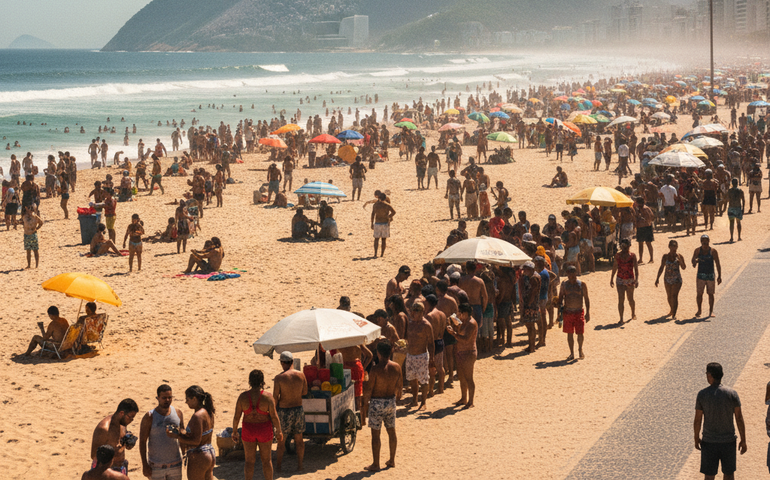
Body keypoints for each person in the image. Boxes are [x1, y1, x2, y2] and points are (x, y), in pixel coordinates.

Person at [694, 363, 747, 480]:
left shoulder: (702, 394)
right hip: (728, 442)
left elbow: (698, 419)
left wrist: (696, 437)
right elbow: (739, 418)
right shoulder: (732, 394)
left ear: (710, 375)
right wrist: (743, 440)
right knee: (728, 475)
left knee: (709, 476)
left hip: (709, 442)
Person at [232, 371, 282, 480]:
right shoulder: (268, 397)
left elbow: (236, 416)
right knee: (266, 461)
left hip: (248, 430)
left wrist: (234, 431)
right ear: (262, 381)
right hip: (264, 430)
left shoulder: (243, 397)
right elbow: (274, 416)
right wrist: (279, 431)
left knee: (249, 461)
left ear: (250, 381)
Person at [362, 340, 402, 472]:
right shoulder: (397, 367)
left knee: (375, 435)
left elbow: (369, 390)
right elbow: (400, 390)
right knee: (391, 431)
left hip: (377, 402)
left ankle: (376, 463)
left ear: (378, 353)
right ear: (391, 351)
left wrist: (365, 403)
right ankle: (392, 460)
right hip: (390, 401)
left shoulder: (375, 369)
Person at [166, 386, 215, 480]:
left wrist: (177, 437)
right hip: (209, 452)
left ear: (194, 399)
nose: (186, 402)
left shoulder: (198, 416)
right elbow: (202, 434)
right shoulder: (208, 412)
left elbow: (196, 441)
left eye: (187, 399)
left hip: (199, 456)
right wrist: (182, 432)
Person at [139, 385, 184, 480]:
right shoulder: (149, 416)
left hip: (175, 464)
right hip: (156, 466)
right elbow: (142, 441)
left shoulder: (178, 413)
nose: (167, 400)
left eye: (169, 397)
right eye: (164, 398)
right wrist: (144, 464)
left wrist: (185, 454)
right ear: (158, 398)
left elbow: (183, 435)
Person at [273, 352, 308, 472]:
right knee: (299, 440)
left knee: (281, 442)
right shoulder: (301, 375)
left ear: (282, 363)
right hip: (298, 409)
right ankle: (300, 466)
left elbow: (275, 397)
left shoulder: (279, 378)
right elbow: (304, 392)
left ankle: (278, 467)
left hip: (284, 411)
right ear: (292, 362)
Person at [90, 399, 139, 475]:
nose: (131, 420)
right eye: (130, 417)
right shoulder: (104, 429)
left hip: (121, 468)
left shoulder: (122, 424)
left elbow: (119, 443)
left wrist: (127, 443)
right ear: (122, 413)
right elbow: (94, 455)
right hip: (106, 472)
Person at [446, 303, 478, 408]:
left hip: (469, 352)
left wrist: (453, 333)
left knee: (469, 378)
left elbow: (465, 339)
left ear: (464, 313)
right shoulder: (463, 322)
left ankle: (471, 401)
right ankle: (464, 398)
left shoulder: (471, 323)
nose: (458, 315)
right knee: (462, 377)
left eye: (459, 313)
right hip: (461, 352)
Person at [405, 301, 435, 410]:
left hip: (421, 356)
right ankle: (414, 399)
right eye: (412, 311)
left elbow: (431, 343)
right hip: (410, 355)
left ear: (421, 312)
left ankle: (423, 402)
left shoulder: (426, 325)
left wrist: (432, 358)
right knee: (412, 379)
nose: (413, 314)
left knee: (423, 380)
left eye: (416, 311)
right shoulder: (411, 324)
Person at [557, 265, 590, 360]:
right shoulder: (564, 285)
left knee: (580, 333)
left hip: (578, 311)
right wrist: (559, 314)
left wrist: (588, 313)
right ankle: (572, 352)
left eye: (573, 275)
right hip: (568, 312)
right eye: (569, 275)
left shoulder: (582, 284)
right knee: (569, 333)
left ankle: (580, 349)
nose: (571, 277)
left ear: (576, 274)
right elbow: (560, 299)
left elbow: (586, 299)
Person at [655, 239, 686, 320]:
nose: (674, 248)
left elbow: (684, 267)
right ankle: (672, 309)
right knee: (669, 296)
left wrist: (681, 262)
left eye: (675, 246)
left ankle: (674, 313)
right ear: (669, 247)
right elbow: (661, 267)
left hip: (677, 279)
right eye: (672, 246)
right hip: (667, 278)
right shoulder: (665, 257)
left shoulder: (679, 256)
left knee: (674, 296)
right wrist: (657, 278)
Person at [692, 234, 722, 318]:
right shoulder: (698, 251)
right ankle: (699, 310)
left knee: (711, 294)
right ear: (701, 242)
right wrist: (695, 262)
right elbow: (693, 260)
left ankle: (711, 311)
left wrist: (719, 276)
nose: (705, 243)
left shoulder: (713, 251)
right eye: (703, 241)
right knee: (699, 294)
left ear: (709, 241)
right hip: (700, 275)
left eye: (706, 241)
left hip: (710, 275)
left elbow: (717, 263)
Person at [610, 238, 638, 325]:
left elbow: (636, 268)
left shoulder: (633, 256)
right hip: (620, 279)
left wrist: (636, 279)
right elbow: (615, 267)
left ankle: (633, 312)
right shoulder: (618, 256)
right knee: (621, 299)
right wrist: (611, 278)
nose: (625, 249)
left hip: (629, 279)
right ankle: (621, 318)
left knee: (630, 299)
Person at [519, 261, 541, 353]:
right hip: (533, 304)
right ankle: (531, 345)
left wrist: (528, 304)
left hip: (531, 305)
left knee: (530, 326)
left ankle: (531, 346)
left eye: (525, 269)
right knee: (531, 326)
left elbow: (533, 293)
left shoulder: (533, 278)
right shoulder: (535, 276)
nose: (524, 271)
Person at [371, 192, 395, 257]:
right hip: (385, 223)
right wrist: (389, 217)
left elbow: (373, 214)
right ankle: (382, 254)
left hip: (377, 223)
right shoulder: (387, 205)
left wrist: (371, 223)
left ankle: (375, 253)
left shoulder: (375, 205)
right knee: (383, 240)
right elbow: (394, 212)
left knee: (376, 239)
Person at [634, 197, 655, 264]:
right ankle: (640, 259)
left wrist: (645, 220)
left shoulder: (645, 208)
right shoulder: (638, 209)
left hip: (646, 227)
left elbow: (651, 217)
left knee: (648, 243)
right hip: (641, 227)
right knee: (641, 243)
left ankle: (651, 258)